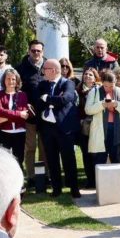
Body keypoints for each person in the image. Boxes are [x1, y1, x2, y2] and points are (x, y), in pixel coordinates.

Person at [36, 59, 81, 198]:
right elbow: (37, 100)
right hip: (47, 128)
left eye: (45, 69)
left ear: (54, 70)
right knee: (52, 159)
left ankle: (74, 188)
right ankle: (57, 188)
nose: (43, 71)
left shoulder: (68, 83)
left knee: (69, 159)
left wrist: (48, 99)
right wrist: (52, 100)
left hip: (64, 128)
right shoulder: (42, 84)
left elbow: (65, 99)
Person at [17, 41, 48, 189]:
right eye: (33, 51)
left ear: (43, 52)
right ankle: (31, 176)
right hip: (29, 116)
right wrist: (24, 105)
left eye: (39, 51)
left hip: (46, 116)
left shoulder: (49, 66)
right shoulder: (21, 68)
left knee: (44, 147)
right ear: (29, 51)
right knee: (30, 147)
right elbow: (16, 91)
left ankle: (44, 175)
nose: (36, 53)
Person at [85, 70, 120, 167]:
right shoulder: (94, 91)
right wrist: (102, 104)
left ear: (115, 83)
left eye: (111, 86)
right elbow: (88, 110)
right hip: (100, 131)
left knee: (117, 160)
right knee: (99, 161)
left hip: (116, 130)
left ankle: (117, 182)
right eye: (105, 86)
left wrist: (116, 104)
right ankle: (99, 182)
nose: (108, 89)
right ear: (101, 82)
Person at [0, 68, 31, 174]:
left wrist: (6, 117)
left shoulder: (22, 95)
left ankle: (19, 184)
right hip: (4, 132)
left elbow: (25, 115)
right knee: (4, 160)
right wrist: (18, 114)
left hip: (19, 132)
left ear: (17, 81)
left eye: (13, 79)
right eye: (8, 79)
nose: (11, 81)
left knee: (19, 159)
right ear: (4, 81)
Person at [77, 68, 100, 189]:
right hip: (83, 128)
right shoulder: (78, 90)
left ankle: (98, 179)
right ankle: (90, 180)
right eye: (85, 74)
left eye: (90, 75)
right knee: (86, 154)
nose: (87, 76)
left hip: (97, 127)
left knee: (96, 154)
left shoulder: (99, 91)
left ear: (95, 77)